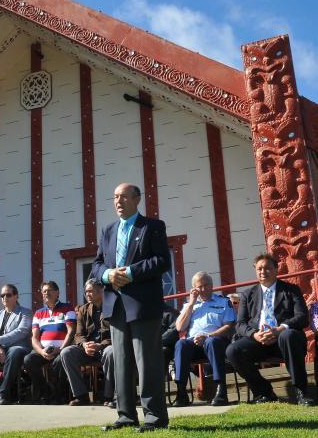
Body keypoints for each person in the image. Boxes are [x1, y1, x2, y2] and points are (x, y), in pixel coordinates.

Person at [90, 182, 171, 432]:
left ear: (137, 200)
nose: (118, 201)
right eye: (115, 197)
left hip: (143, 304)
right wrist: (107, 276)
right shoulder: (108, 230)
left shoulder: (153, 227)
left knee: (147, 363)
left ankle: (154, 417)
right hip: (116, 305)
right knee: (121, 362)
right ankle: (125, 415)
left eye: (124, 197)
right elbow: (97, 264)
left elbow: (161, 261)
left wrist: (131, 273)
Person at [226, 253, 313, 406]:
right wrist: (255, 335)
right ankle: (264, 392)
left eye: (267, 268)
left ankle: (301, 391)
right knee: (232, 350)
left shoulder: (291, 290)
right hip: (259, 341)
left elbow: (302, 317)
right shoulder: (248, 294)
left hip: (284, 340)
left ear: (276, 269)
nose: (263, 271)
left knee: (289, 335)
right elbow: (239, 324)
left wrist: (280, 329)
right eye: (259, 268)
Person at [172, 271, 235, 407]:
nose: (204, 289)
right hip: (194, 343)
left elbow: (229, 326)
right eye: (200, 286)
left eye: (207, 285)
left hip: (216, 341)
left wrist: (208, 336)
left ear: (212, 286)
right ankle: (181, 392)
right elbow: (179, 327)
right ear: (194, 288)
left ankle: (221, 390)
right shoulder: (189, 305)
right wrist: (191, 304)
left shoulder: (223, 302)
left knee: (211, 342)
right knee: (181, 344)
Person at [60, 278, 114, 406]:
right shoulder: (83, 310)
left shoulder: (112, 307)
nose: (87, 294)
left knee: (110, 352)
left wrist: (100, 345)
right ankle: (81, 396)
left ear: (101, 291)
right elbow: (78, 334)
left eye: (91, 291)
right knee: (66, 352)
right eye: (86, 292)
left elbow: (117, 333)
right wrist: (84, 345)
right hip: (88, 349)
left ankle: (109, 396)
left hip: (106, 347)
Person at [23, 280, 76, 403]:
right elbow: (34, 338)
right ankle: (45, 389)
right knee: (28, 360)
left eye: (49, 290)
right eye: (43, 291)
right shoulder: (39, 313)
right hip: (44, 351)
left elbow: (71, 332)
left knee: (59, 361)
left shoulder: (67, 308)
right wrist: (41, 351)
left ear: (57, 292)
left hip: (61, 350)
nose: (46, 293)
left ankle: (58, 395)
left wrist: (61, 349)